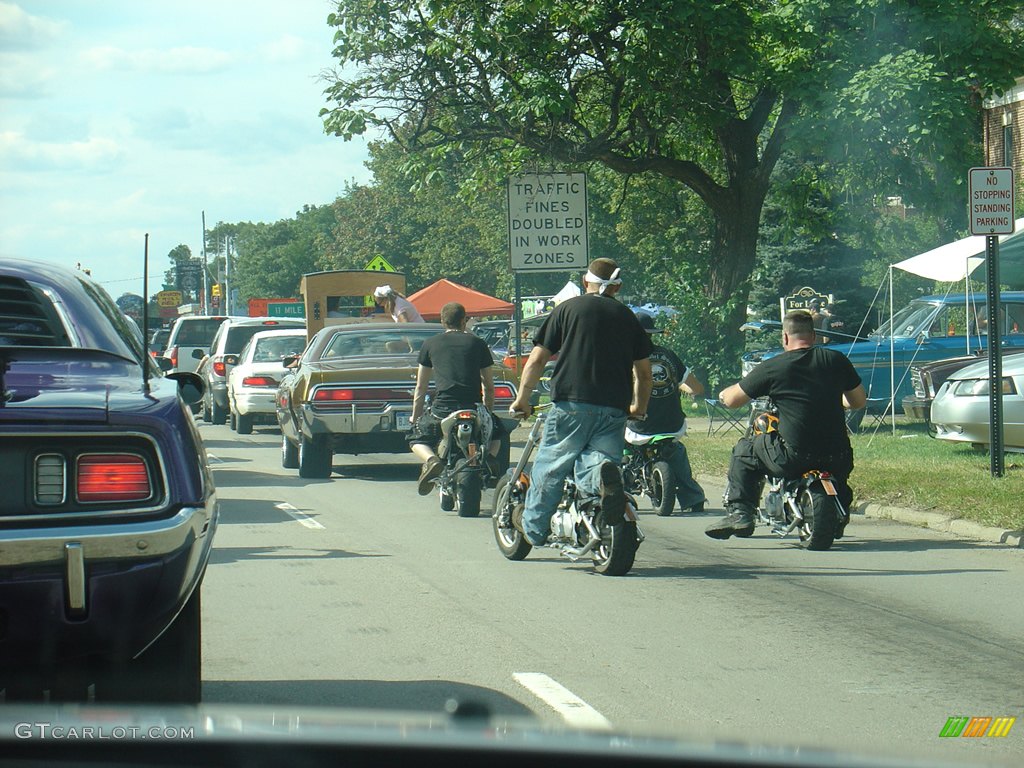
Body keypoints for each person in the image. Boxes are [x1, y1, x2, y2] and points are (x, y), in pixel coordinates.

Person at [509, 257, 654, 546]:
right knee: (599, 461)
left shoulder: (567, 309)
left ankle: (534, 529)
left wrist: (522, 399)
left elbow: (537, 359)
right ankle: (602, 478)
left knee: (551, 465)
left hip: (571, 404)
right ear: (617, 287)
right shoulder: (628, 317)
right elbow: (644, 374)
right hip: (615, 406)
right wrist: (639, 408)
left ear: (586, 281)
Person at [705, 310, 867, 540]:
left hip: (793, 456)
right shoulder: (836, 360)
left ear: (784, 337)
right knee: (839, 475)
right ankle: (838, 510)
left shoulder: (773, 366)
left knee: (746, 448)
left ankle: (741, 512)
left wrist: (722, 394)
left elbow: (732, 400)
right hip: (838, 456)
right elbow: (858, 401)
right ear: (814, 336)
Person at [409, 301, 504, 495]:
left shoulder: (430, 344)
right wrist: (488, 412)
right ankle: (489, 459)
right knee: (499, 434)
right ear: (464, 320)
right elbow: (488, 386)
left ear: (443, 321)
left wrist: (416, 417)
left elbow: (421, 387)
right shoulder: (478, 343)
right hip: (473, 406)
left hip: (443, 409)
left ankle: (432, 461)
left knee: (416, 438)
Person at [627, 312, 706, 514]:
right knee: (676, 453)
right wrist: (678, 387)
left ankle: (622, 493)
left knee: (615, 447)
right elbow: (696, 388)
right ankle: (693, 497)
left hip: (639, 426)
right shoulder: (669, 355)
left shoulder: (625, 358)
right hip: (673, 424)